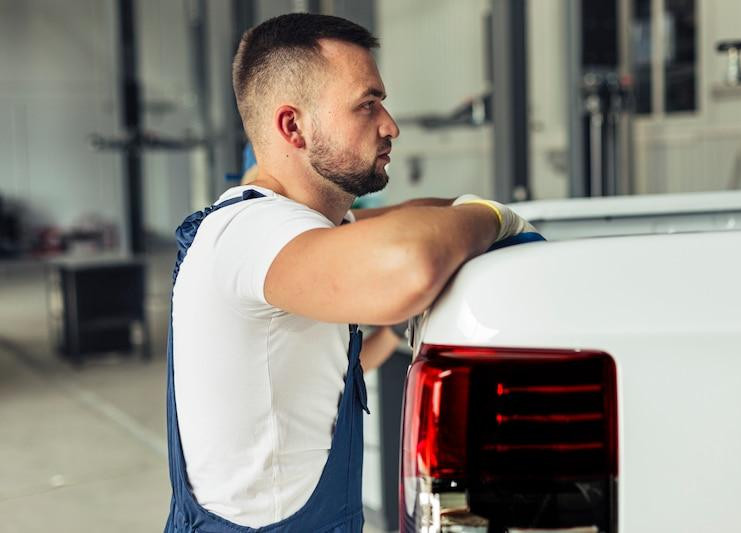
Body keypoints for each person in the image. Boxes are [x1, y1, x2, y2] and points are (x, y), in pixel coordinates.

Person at [164, 12, 535, 533]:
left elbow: (422, 216)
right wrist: (496, 217)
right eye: (367, 105)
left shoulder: (302, 228)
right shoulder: (253, 233)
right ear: (292, 126)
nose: (390, 125)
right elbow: (410, 261)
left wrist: (463, 218)